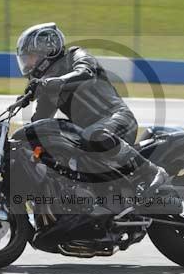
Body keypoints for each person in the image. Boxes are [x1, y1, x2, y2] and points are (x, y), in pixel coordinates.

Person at [15, 22, 169, 202]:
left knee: (94, 135)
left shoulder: (76, 55)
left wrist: (55, 82)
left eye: (31, 57)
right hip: (86, 136)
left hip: (118, 119)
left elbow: (85, 72)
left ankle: (151, 171)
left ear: (47, 51)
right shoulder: (48, 86)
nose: (27, 63)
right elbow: (39, 123)